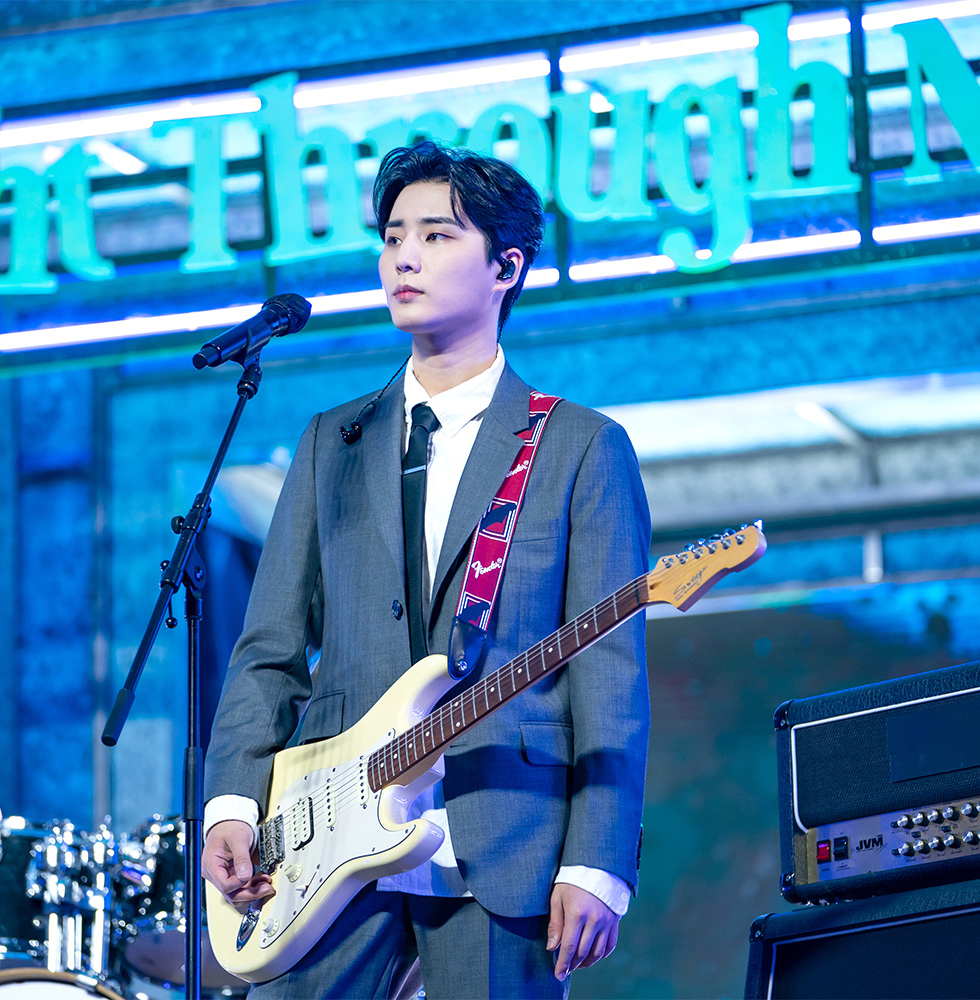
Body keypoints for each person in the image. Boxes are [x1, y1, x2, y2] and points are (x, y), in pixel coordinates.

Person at [200, 140, 650, 999]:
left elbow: (609, 673)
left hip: (506, 832)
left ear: (506, 267)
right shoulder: (331, 443)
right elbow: (270, 649)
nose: (404, 256)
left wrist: (597, 861)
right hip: (328, 836)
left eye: (438, 235)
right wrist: (232, 802)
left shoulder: (578, 447)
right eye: (393, 235)